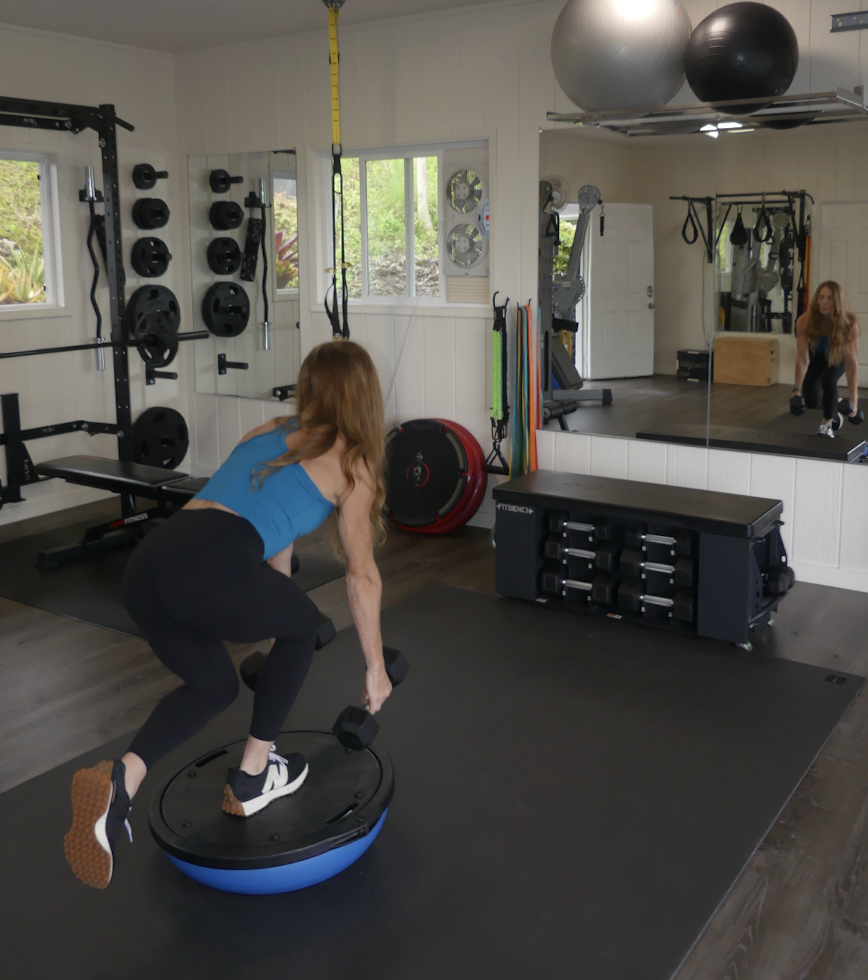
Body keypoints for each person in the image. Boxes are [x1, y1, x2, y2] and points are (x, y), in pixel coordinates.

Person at [63, 341, 390, 889]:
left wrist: (273, 606)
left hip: (150, 563)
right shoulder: (353, 460)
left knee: (214, 685)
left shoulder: (266, 431)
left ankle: (120, 781)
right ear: (365, 397)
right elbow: (362, 575)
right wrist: (374, 667)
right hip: (213, 561)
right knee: (305, 627)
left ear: (309, 386)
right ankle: (252, 778)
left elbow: (271, 536)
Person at [793, 280, 861, 437]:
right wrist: (796, 391)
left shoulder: (850, 325)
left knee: (829, 381)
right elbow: (802, 357)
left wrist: (853, 399)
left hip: (839, 356)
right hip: (817, 355)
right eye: (821, 297)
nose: (824, 302)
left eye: (830, 298)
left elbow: (851, 363)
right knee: (810, 400)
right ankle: (834, 408)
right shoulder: (805, 320)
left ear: (838, 301)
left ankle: (826, 424)